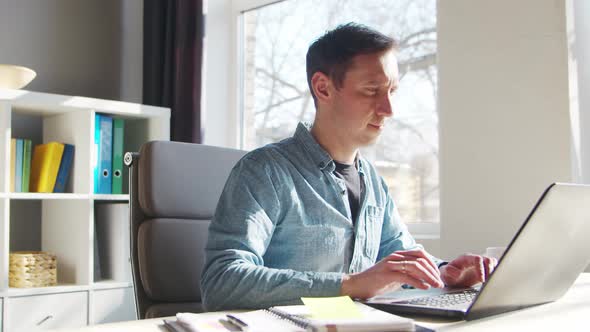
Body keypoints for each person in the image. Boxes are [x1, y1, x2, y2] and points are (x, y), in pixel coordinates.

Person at [201, 22, 497, 311]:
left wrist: (446, 272)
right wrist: (349, 284)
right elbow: (222, 282)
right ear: (323, 88)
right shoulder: (265, 171)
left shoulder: (373, 181)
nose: (389, 109)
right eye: (371, 90)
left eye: (392, 91)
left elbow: (401, 259)